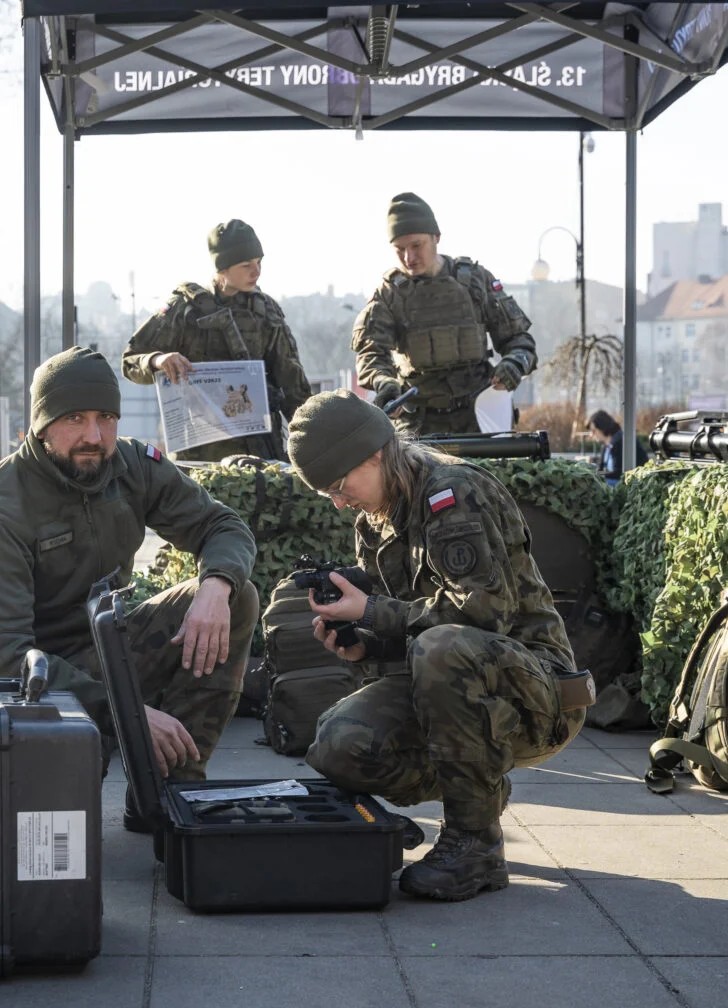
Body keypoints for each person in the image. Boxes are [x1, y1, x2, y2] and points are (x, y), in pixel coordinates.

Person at [287, 390, 587, 901]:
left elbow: (485, 612)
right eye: (327, 495)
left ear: (375, 452)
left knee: (443, 647)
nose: (339, 502)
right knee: (339, 745)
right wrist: (365, 647)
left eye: (340, 486)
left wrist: (370, 612)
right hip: (463, 681)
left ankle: (476, 845)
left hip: (540, 693)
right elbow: (411, 630)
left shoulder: (452, 492)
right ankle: (480, 786)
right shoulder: (376, 518)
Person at [0, 347, 260, 798]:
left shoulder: (131, 466)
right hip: (31, 684)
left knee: (239, 594)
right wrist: (128, 714)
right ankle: (103, 757)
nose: (93, 436)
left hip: (108, 649)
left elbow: (222, 525)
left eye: (106, 417)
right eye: (73, 418)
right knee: (60, 824)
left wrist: (216, 588)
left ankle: (172, 793)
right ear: (41, 427)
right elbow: (5, 655)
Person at [121, 220, 312, 461]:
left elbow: (293, 387)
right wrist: (158, 360)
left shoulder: (265, 312)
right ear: (222, 268)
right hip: (199, 456)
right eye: (246, 265)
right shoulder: (185, 310)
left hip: (260, 451)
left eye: (259, 262)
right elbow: (130, 362)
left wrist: (309, 440)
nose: (257, 272)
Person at [353, 192, 537, 436]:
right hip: (418, 424)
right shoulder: (389, 295)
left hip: (480, 417)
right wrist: (383, 382)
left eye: (417, 245)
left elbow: (519, 341)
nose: (409, 258)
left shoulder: (475, 281)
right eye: (400, 249)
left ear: (436, 237)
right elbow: (370, 353)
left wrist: (514, 363)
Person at [587, 409, 647, 486]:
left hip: (631, 484)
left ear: (602, 427)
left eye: (594, 431)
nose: (591, 435)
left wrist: (595, 476)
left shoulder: (621, 441)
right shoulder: (606, 445)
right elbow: (600, 468)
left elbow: (619, 473)